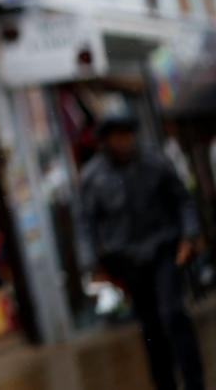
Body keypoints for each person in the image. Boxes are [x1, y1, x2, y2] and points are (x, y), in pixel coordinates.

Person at [78, 114, 204, 390]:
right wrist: (92, 265)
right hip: (128, 261)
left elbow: (183, 200)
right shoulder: (93, 177)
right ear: (106, 140)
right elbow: (86, 223)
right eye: (117, 136)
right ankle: (164, 382)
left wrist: (189, 236)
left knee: (172, 313)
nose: (124, 142)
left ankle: (195, 381)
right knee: (151, 326)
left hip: (164, 249)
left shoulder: (154, 162)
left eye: (127, 135)